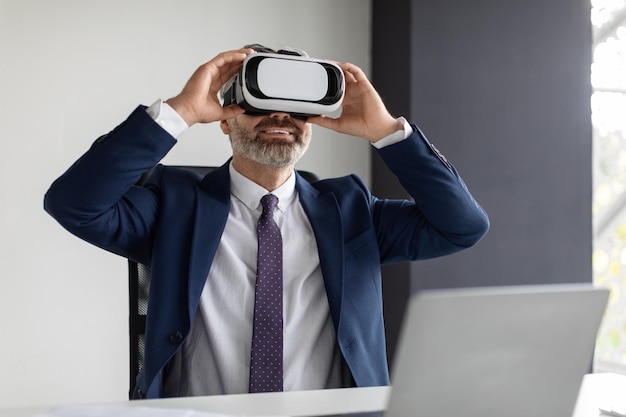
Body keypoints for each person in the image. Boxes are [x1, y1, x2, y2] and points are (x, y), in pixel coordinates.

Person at [44, 44, 489, 400]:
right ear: (226, 120)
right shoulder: (174, 205)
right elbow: (74, 203)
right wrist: (180, 112)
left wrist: (387, 132)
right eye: (261, 102)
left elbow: (463, 225)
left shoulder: (352, 210)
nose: (280, 117)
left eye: (297, 107)